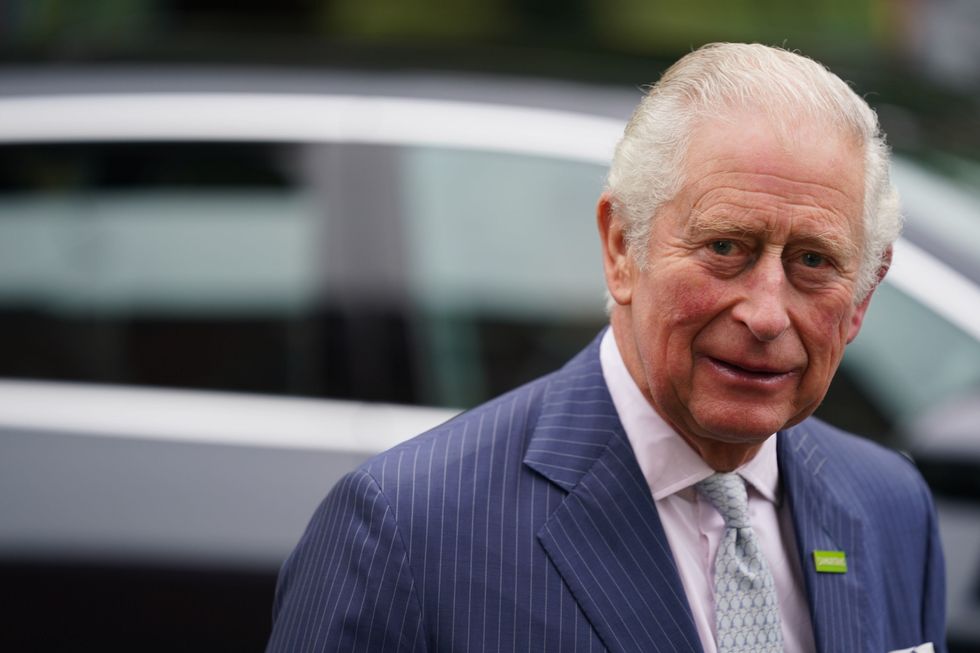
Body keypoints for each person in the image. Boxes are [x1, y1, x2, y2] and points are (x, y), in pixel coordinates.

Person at [266, 43, 946, 653]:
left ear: (861, 297)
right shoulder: (407, 530)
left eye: (812, 261)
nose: (767, 313)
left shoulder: (891, 507)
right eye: (725, 247)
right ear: (622, 246)